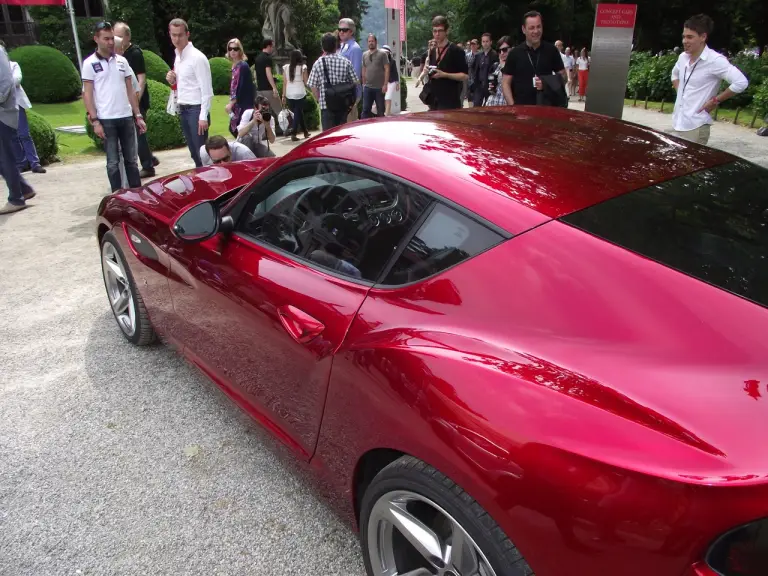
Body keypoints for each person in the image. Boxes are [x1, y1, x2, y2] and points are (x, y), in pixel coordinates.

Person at [82, 21, 146, 193]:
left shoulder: (122, 61)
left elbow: (130, 90)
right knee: (112, 161)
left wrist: (138, 115)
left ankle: (137, 194)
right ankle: (117, 194)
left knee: (131, 160)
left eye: (112, 39)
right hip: (106, 118)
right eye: (106, 39)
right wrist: (95, 120)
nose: (110, 42)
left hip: (125, 116)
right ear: (96, 39)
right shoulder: (89, 64)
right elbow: (87, 93)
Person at [670, 14, 749, 145]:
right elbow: (674, 75)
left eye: (690, 37)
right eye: (683, 36)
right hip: (677, 122)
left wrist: (715, 100)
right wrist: (681, 93)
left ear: (703, 37)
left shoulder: (715, 61)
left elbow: (741, 82)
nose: (684, 41)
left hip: (696, 126)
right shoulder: (683, 57)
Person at [113, 21, 158, 177]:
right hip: (124, 102)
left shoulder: (135, 53)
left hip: (136, 101)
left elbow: (141, 78)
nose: (115, 39)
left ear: (127, 36)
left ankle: (147, 166)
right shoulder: (117, 54)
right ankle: (150, 158)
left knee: (139, 133)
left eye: (119, 36)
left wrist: (136, 101)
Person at [166, 19, 212, 168]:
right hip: (184, 107)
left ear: (187, 35)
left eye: (180, 35)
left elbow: (206, 89)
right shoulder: (178, 57)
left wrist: (203, 116)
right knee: (194, 152)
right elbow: (184, 84)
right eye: (174, 35)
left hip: (196, 108)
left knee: (202, 153)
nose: (177, 39)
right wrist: (172, 80)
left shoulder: (197, 57)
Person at [502, 11, 567, 106]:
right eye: (532, 28)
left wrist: (546, 83)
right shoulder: (514, 53)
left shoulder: (551, 50)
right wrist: (513, 107)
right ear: (524, 29)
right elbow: (505, 83)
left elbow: (564, 77)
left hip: (546, 108)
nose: (536, 31)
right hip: (521, 110)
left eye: (538, 26)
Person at [0, 44, 35, 215]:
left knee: (4, 157)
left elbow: (6, 83)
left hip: (3, 113)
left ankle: (16, 198)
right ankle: (24, 188)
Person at [1, 42, 45, 175]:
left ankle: (34, 163)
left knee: (24, 134)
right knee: (12, 136)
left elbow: (16, 79)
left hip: (16, 103)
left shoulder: (13, 65)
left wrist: (4, 85)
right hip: (3, 106)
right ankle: (21, 163)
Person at [307, 32, 359, 131]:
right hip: (343, 105)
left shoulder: (318, 63)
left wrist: (318, 99)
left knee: (328, 136)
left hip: (326, 106)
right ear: (335, 46)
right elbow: (356, 82)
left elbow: (313, 85)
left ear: (322, 47)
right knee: (341, 134)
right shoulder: (345, 62)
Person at [422, 15, 468, 110]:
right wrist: (426, 71)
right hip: (434, 102)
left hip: (450, 102)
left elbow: (464, 76)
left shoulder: (456, 51)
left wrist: (445, 75)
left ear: (447, 31)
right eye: (435, 31)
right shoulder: (433, 50)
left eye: (440, 31)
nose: (437, 34)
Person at [225, 38, 255, 140]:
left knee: (239, 130)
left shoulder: (243, 66)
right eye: (230, 49)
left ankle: (249, 151)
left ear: (240, 50)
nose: (232, 51)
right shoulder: (235, 66)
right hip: (237, 104)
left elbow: (241, 88)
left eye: (235, 49)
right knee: (235, 129)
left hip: (243, 104)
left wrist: (231, 103)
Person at [282, 49, 311, 141]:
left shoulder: (286, 67)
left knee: (298, 112)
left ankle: (305, 131)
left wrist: (283, 95)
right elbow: (306, 81)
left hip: (289, 92)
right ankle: (293, 133)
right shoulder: (303, 67)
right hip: (300, 91)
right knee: (298, 111)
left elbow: (284, 83)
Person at [337, 17, 363, 121]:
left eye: (344, 30)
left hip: (350, 94)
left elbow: (355, 74)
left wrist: (354, 99)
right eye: (339, 30)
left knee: (349, 124)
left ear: (351, 32)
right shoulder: (343, 46)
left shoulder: (355, 48)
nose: (341, 32)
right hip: (342, 92)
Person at [253, 39, 283, 123]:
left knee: (262, 112)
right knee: (279, 110)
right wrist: (274, 88)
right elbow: (268, 73)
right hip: (268, 89)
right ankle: (286, 129)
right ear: (268, 46)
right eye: (272, 46)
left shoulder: (257, 58)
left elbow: (255, 74)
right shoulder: (267, 58)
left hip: (260, 89)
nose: (273, 49)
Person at [361, 34, 389, 119]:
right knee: (365, 110)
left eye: (372, 41)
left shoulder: (382, 54)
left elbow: (387, 69)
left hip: (379, 88)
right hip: (368, 87)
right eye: (369, 41)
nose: (371, 43)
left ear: (376, 42)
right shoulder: (364, 54)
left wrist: (385, 84)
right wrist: (363, 82)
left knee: (380, 110)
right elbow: (364, 68)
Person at [472, 33, 499, 107]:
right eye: (483, 41)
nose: (485, 43)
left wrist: (493, 86)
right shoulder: (478, 55)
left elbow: (496, 71)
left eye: (487, 41)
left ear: (491, 42)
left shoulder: (495, 55)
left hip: (489, 86)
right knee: (476, 105)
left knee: (488, 107)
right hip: (479, 86)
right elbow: (475, 70)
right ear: (481, 43)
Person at [485, 36, 511, 107]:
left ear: (512, 49)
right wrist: (491, 88)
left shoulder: (516, 67)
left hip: (506, 104)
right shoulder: (496, 66)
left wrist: (503, 67)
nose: (502, 53)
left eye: (505, 49)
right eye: (499, 51)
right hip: (492, 103)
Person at [382, 45, 400, 116]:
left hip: (391, 81)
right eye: (384, 52)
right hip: (383, 81)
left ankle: (386, 114)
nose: (385, 54)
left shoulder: (392, 62)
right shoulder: (380, 61)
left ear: (389, 53)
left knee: (388, 97)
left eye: (386, 52)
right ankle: (387, 112)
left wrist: (397, 83)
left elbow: (395, 72)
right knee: (383, 98)